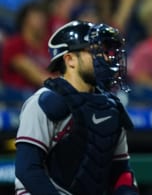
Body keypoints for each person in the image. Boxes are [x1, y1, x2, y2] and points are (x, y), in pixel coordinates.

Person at [14, 20, 138, 195]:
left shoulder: (111, 108)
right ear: (70, 59)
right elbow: (27, 170)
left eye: (104, 51)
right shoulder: (44, 102)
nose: (103, 57)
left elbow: (121, 171)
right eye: (94, 51)